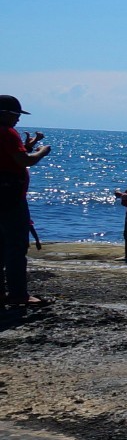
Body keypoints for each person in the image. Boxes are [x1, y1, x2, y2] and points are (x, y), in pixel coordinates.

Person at [0, 94, 52, 309]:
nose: (18, 120)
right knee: (16, 246)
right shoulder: (7, 132)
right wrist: (42, 151)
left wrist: (28, 146)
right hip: (10, 199)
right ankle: (18, 294)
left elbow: (9, 158)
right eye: (15, 115)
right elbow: (23, 161)